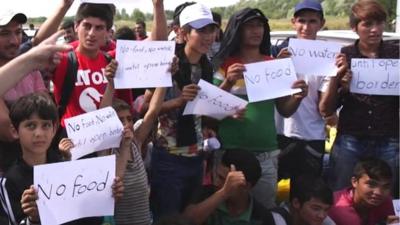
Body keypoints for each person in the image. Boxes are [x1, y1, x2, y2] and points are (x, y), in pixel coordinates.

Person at [212, 7, 308, 209]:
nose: (256, 31)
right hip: (230, 155)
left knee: (264, 210)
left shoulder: (273, 65)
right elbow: (211, 111)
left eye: (260, 26)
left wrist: (298, 98)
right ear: (237, 30)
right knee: (227, 211)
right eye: (249, 27)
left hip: (266, 155)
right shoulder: (223, 66)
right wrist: (228, 82)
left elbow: (285, 110)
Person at [142, 2, 218, 220]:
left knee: (190, 217)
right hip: (168, 159)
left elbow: (201, 109)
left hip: (197, 157)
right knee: (167, 218)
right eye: (201, 30)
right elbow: (144, 107)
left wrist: (211, 124)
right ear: (183, 33)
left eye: (211, 30)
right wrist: (177, 102)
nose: (208, 36)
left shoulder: (207, 65)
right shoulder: (168, 63)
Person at [0, 92, 124, 225]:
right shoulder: (9, 182)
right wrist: (33, 219)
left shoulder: (70, 169)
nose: (39, 133)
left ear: (54, 129)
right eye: (31, 125)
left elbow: (87, 218)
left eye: (46, 125)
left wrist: (107, 196)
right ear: (14, 130)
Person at [319, 0, 399, 195]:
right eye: (367, 24)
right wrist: (338, 81)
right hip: (350, 139)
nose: (375, 29)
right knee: (341, 195)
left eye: (379, 23)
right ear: (354, 28)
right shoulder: (344, 55)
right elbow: (326, 110)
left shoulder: (396, 53)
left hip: (389, 138)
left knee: (388, 198)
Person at [271, 0, 347, 181]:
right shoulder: (278, 53)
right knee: (274, 193)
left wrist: (337, 74)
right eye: (301, 21)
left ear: (322, 23)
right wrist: (276, 65)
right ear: (293, 22)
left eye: (312, 21)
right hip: (278, 133)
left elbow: (324, 108)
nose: (306, 26)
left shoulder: (329, 57)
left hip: (312, 136)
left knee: (305, 196)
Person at [183, 149, 268, 225]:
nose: (216, 182)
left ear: (246, 186)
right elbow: (186, 220)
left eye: (224, 180)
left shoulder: (261, 217)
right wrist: (224, 193)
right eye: (218, 176)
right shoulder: (205, 195)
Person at [328, 158, 399, 225]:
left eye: (385, 187)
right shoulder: (336, 208)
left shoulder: (387, 202)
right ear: (354, 182)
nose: (378, 192)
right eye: (371, 184)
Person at [265, 175, 335, 225]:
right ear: (296, 203)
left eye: (326, 210)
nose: (322, 216)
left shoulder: (318, 216)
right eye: (316, 209)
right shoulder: (275, 219)